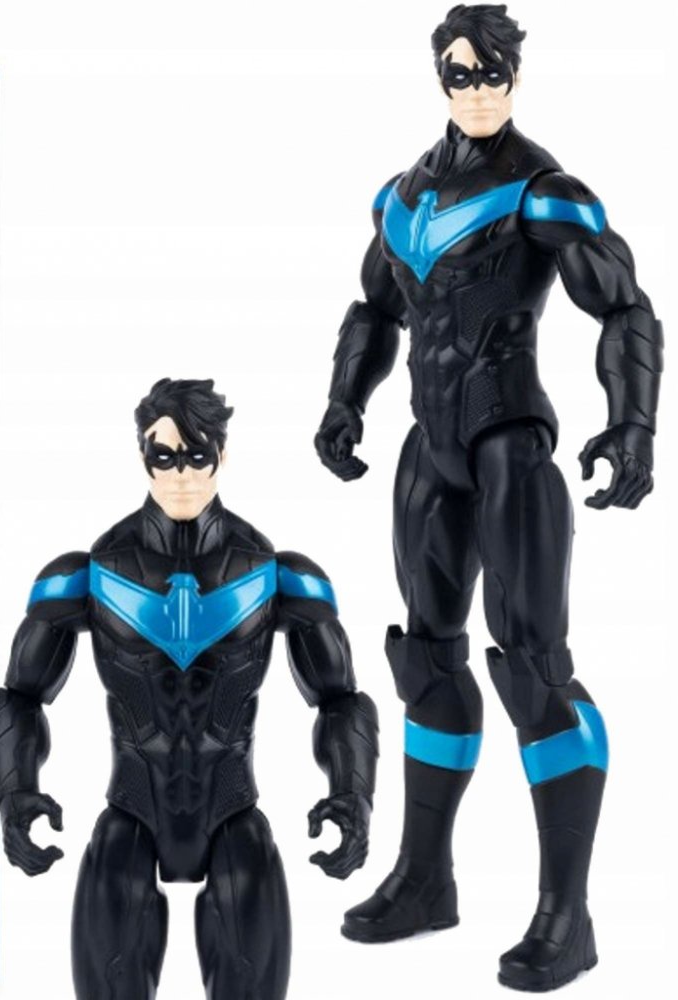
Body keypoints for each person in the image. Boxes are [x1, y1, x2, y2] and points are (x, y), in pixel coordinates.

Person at [314, 5, 662, 991]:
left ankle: (567, 912)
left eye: (490, 71)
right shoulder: (402, 197)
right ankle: (425, 878)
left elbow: (625, 308)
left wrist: (633, 423)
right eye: (458, 72)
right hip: (429, 450)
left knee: (535, 671)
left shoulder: (545, 192)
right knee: (426, 661)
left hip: (510, 445)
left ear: (514, 74)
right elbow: (374, 309)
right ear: (439, 77)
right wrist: (342, 401)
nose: (475, 88)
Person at [0, 378, 379, 1000]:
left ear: (224, 453)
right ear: (141, 454)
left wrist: (353, 795)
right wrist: (15, 793)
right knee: (113, 919)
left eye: (197, 456)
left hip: (233, 808)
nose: (182, 476)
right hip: (132, 807)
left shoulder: (276, 575)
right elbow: (19, 697)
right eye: (164, 457)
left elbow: (341, 701)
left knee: (248, 918)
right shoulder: (89, 574)